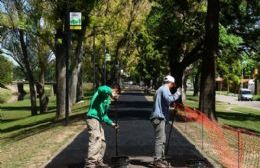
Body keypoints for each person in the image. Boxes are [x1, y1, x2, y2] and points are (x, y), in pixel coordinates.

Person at [85, 84, 120, 168]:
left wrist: (112, 123)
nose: (116, 95)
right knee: (96, 139)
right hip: (93, 118)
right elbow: (101, 88)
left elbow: (104, 115)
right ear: (114, 89)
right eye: (116, 92)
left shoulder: (107, 100)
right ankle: (90, 164)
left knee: (102, 142)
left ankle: (98, 161)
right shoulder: (103, 92)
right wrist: (111, 92)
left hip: (98, 120)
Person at [150, 75, 181, 168]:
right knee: (160, 140)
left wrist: (171, 107)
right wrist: (178, 93)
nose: (173, 86)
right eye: (173, 84)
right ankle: (157, 160)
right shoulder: (164, 88)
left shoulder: (161, 89)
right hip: (159, 118)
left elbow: (165, 102)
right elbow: (169, 99)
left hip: (159, 117)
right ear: (170, 83)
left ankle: (161, 159)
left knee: (162, 139)